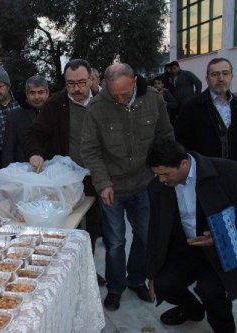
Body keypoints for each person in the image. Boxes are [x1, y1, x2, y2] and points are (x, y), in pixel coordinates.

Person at [81, 63, 174, 311]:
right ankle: (115, 287)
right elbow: (89, 150)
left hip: (145, 183)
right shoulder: (96, 108)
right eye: (114, 95)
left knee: (145, 236)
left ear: (134, 81)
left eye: (124, 93)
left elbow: (165, 136)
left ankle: (136, 280)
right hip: (112, 186)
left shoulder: (153, 99)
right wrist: (102, 184)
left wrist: (163, 173)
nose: (120, 99)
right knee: (115, 242)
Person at [24, 59, 105, 285]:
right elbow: (35, 134)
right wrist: (35, 153)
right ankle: (63, 273)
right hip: (68, 179)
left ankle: (86, 269)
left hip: (99, 176)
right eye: (70, 84)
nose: (77, 89)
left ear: (91, 79)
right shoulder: (56, 103)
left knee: (94, 228)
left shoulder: (103, 102)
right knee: (67, 228)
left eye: (81, 83)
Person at [146, 137, 236, 332]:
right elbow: (155, 230)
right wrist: (152, 273)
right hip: (187, 249)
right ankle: (193, 310)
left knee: (211, 292)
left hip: (222, 250)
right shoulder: (158, 186)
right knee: (164, 284)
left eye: (166, 174)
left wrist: (220, 237)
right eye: (157, 175)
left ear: (184, 164)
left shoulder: (227, 172)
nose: (161, 180)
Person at [175, 57, 237, 161]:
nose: (221, 78)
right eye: (215, 74)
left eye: (225, 73)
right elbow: (181, 142)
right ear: (207, 79)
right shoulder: (191, 107)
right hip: (206, 172)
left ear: (231, 77)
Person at [2, 75, 49, 167]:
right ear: (27, 94)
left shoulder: (55, 113)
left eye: (40, 92)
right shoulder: (14, 116)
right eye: (32, 93)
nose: (37, 97)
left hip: (53, 172)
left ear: (47, 93)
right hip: (24, 173)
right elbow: (8, 151)